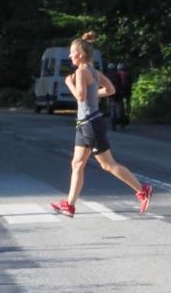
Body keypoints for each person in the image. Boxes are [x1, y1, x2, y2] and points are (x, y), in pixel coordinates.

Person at [50, 33, 152, 217]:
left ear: (80, 53)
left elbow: (80, 96)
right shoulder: (93, 70)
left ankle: (142, 190)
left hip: (90, 124)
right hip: (85, 123)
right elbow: (110, 89)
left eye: (72, 53)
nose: (69, 56)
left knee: (108, 165)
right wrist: (93, 95)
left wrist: (69, 84)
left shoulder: (82, 72)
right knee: (77, 163)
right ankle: (69, 205)